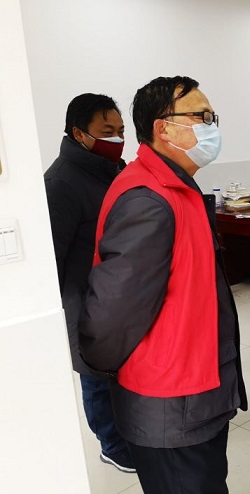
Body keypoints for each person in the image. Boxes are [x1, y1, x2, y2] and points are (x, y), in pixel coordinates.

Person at [79, 76, 247, 494]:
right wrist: (107, 368)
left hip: (196, 389)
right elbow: (112, 315)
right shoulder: (148, 199)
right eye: (201, 116)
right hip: (169, 401)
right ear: (163, 128)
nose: (211, 126)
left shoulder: (176, 185)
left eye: (212, 117)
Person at [44, 93, 135, 473]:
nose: (117, 139)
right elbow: (52, 258)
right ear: (79, 134)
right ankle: (111, 445)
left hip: (118, 294)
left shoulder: (112, 169)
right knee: (96, 376)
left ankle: (128, 431)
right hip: (85, 300)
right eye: (107, 131)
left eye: (121, 131)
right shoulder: (60, 183)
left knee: (120, 371)